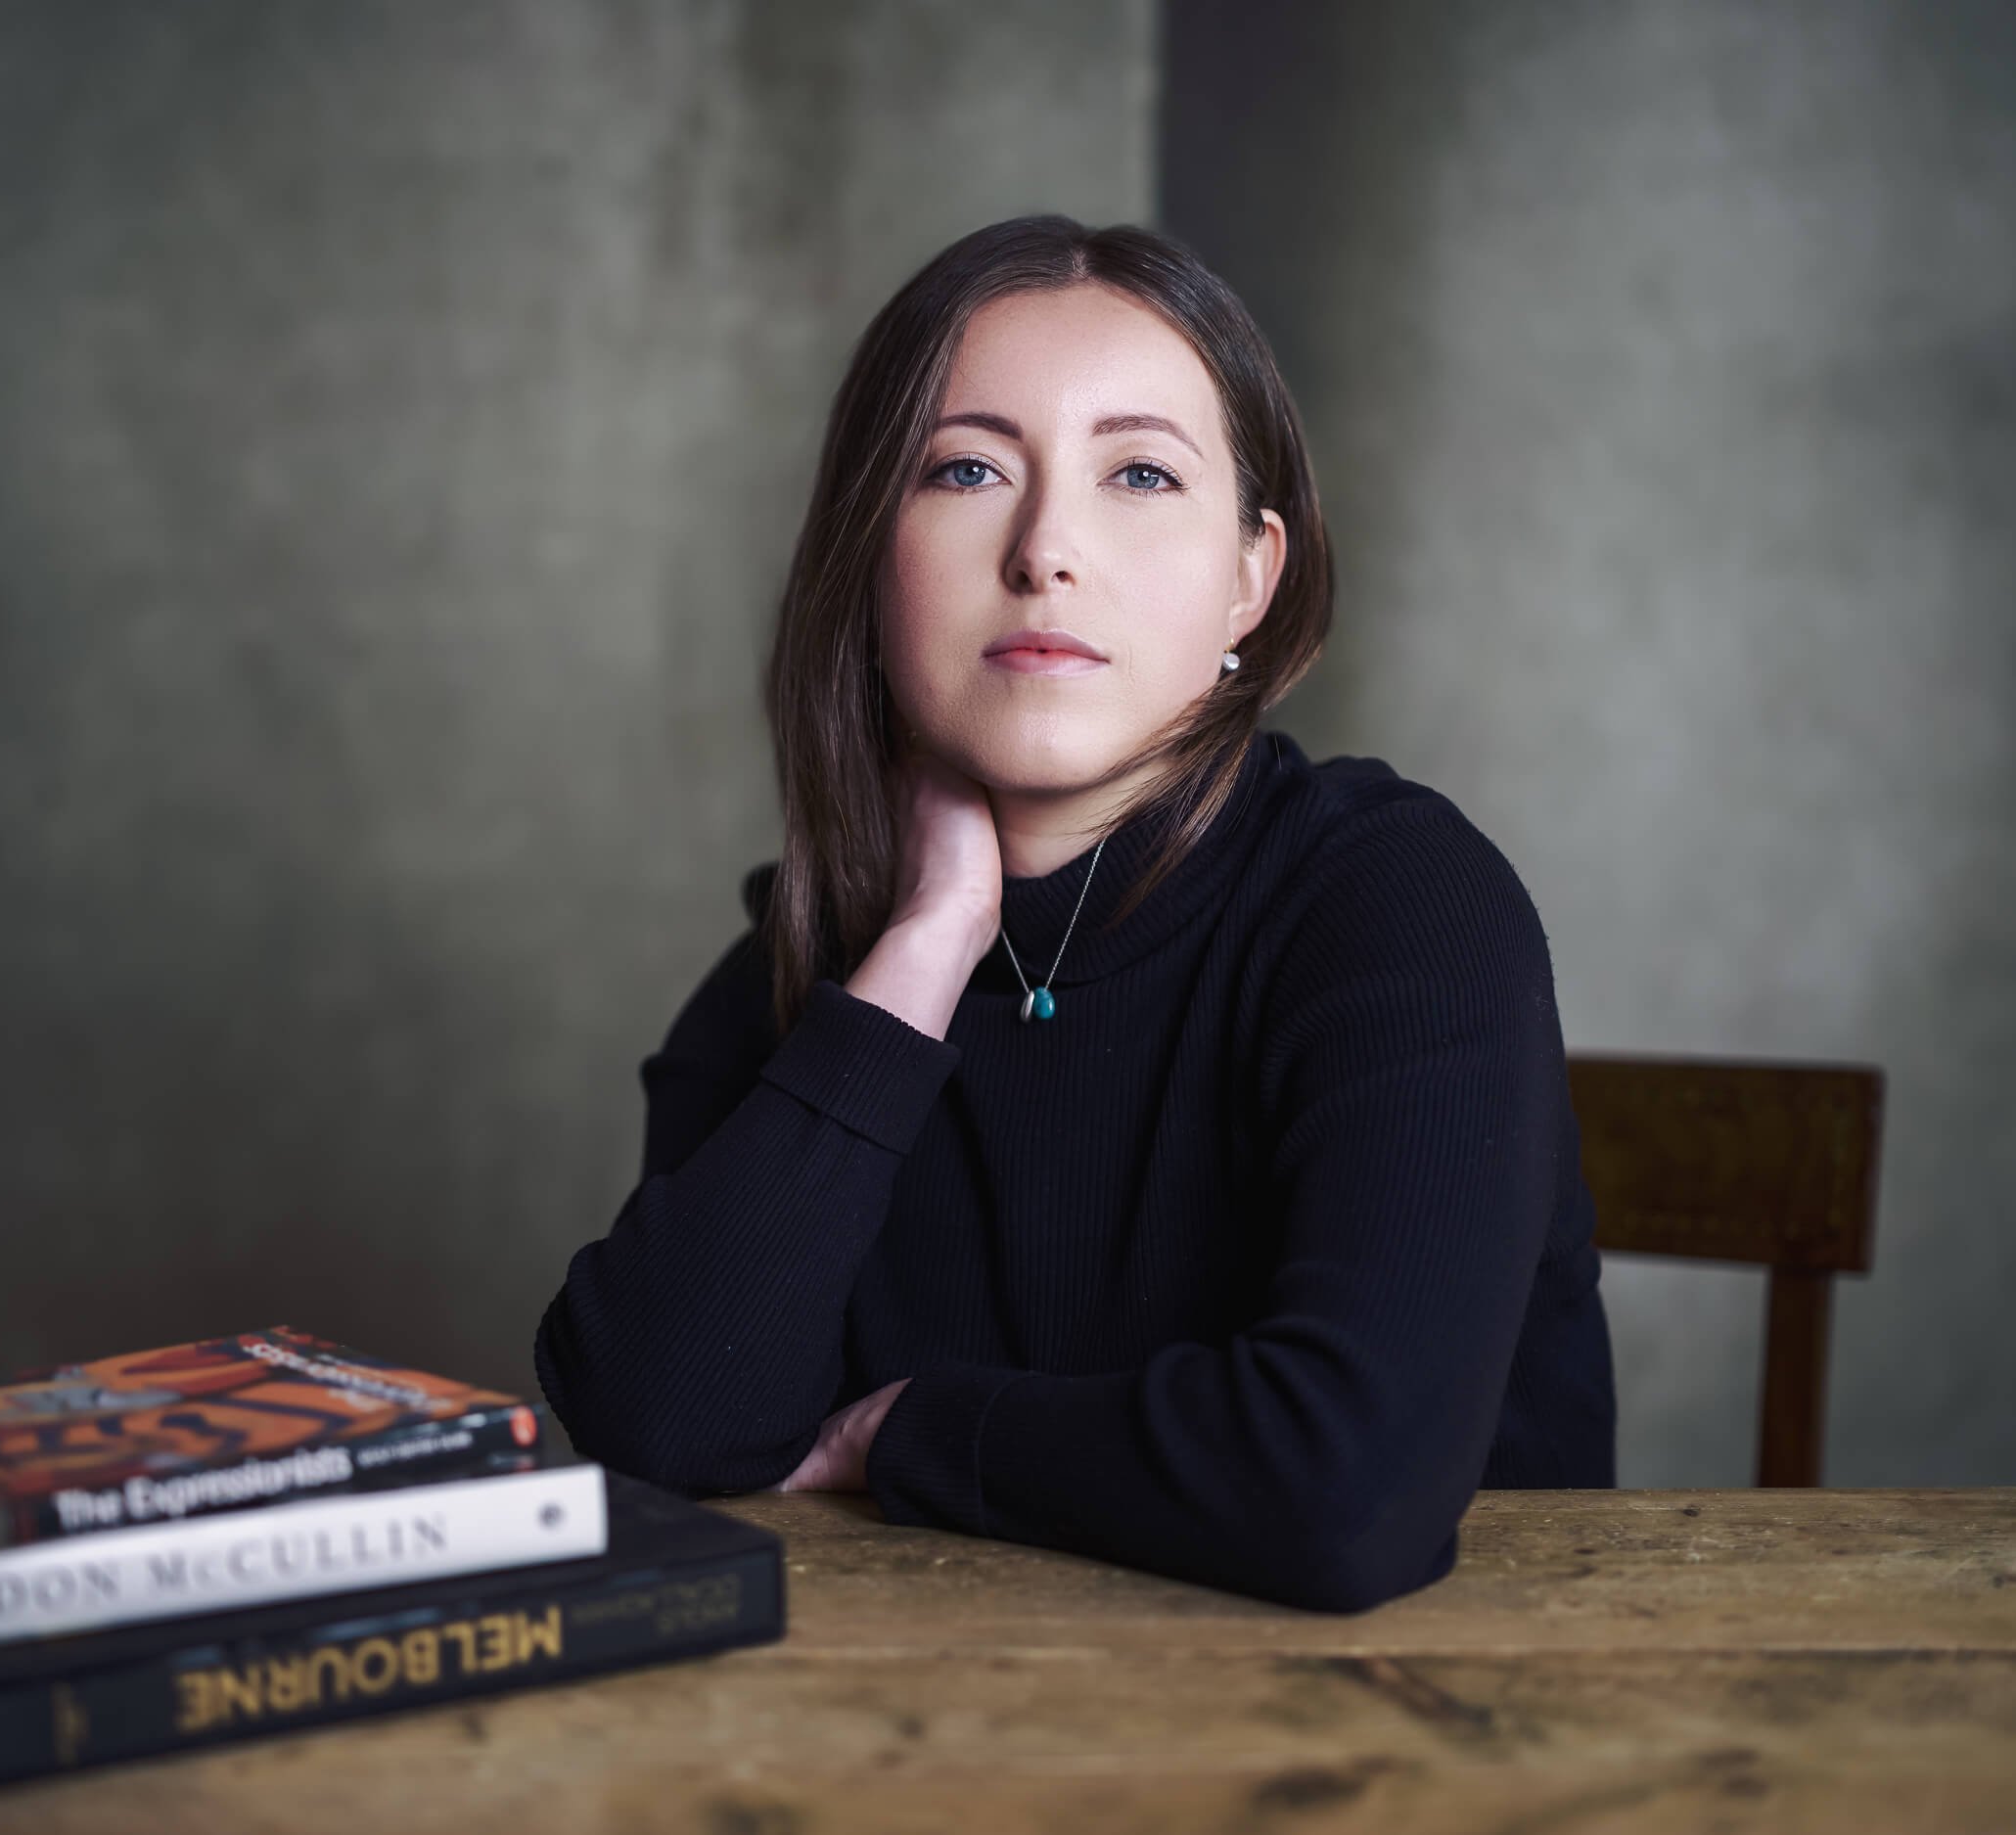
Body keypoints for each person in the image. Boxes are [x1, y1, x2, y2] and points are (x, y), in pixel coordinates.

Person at [533, 214, 1616, 1614]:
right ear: (871, 560)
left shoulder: (1395, 899)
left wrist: (910, 1432)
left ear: (1250, 577)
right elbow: (661, 1419)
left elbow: (1347, 1492)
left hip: (1430, 1712)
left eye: (1141, 475)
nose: (1047, 549)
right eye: (967, 469)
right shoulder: (806, 968)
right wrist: (926, 948)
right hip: (934, 1715)